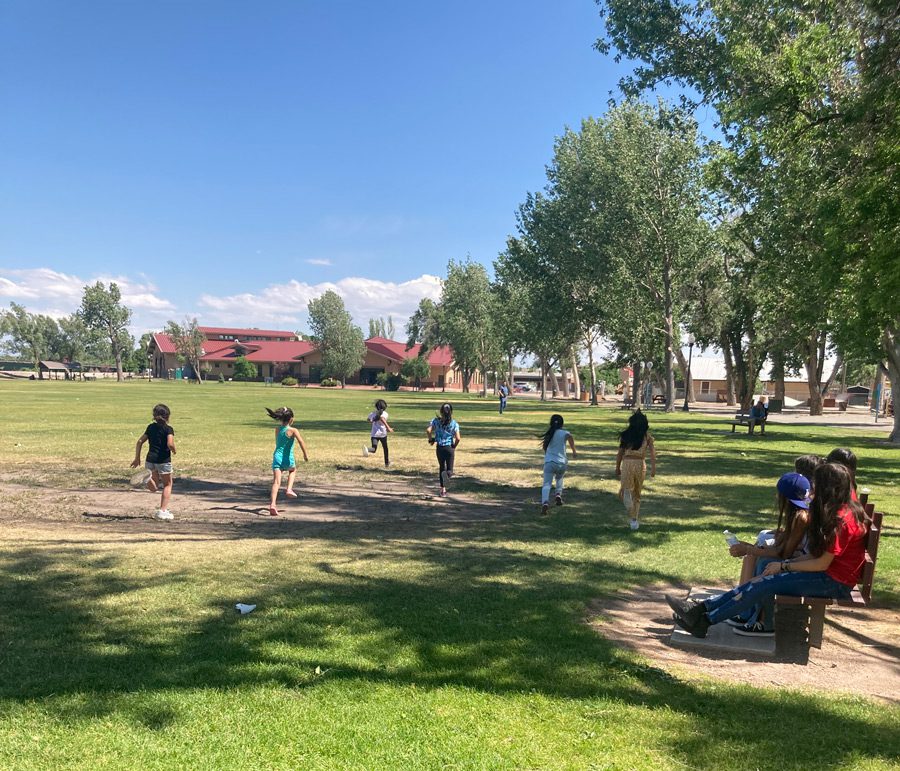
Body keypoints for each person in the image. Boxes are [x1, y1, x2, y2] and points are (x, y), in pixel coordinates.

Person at [667, 462, 868, 639]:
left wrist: (784, 566)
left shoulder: (842, 520)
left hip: (833, 582)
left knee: (765, 583)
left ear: (827, 488)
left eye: (816, 485)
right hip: (827, 575)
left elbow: (821, 563)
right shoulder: (841, 511)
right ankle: (701, 610)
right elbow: (817, 556)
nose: (812, 490)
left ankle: (704, 620)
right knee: (762, 580)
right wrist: (784, 566)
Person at [726, 472, 813, 635]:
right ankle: (745, 612)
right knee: (756, 556)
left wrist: (749, 549)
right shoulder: (799, 513)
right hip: (799, 558)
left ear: (785, 498)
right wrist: (751, 548)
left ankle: (764, 622)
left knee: (765, 565)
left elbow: (784, 554)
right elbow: (785, 545)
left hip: (804, 565)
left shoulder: (801, 517)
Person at [131, 403, 177, 521]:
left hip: (150, 459)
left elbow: (140, 441)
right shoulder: (168, 429)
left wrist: (137, 458)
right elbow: (170, 443)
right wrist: (173, 449)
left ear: (154, 416)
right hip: (163, 460)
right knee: (168, 484)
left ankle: (147, 478)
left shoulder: (150, 427)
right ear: (167, 416)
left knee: (154, 487)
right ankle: (162, 511)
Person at [615, 410, 656, 530]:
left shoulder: (626, 435)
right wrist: (653, 468)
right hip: (640, 464)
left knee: (625, 490)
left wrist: (617, 467)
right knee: (637, 494)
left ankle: (631, 512)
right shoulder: (647, 436)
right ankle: (634, 519)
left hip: (627, 463)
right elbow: (653, 454)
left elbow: (620, 453)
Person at [266, 406, 309, 516]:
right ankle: (289, 489)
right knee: (293, 470)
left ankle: (272, 505)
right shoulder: (293, 430)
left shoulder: (277, 429)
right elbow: (301, 442)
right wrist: (305, 454)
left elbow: (278, 443)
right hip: (287, 457)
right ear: (291, 419)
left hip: (277, 457)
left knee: (276, 482)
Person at [539, 414, 577, 515]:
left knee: (547, 483)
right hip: (562, 462)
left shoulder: (549, 434)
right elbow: (570, 437)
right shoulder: (564, 433)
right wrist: (573, 450)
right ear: (562, 423)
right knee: (559, 478)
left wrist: (547, 454)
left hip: (550, 462)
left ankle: (545, 502)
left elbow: (544, 447)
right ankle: (558, 495)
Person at [426, 402, 460, 498]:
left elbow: (428, 430)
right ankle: (447, 476)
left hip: (440, 447)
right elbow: (458, 438)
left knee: (441, 467)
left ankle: (442, 490)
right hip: (449, 447)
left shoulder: (436, 421)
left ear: (441, 412)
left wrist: (431, 440)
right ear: (451, 412)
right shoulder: (454, 423)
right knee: (449, 470)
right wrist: (454, 446)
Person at [362, 398, 393, 467]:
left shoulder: (372, 413)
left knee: (373, 449)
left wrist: (371, 420)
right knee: (385, 449)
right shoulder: (385, 414)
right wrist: (388, 428)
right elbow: (382, 419)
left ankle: (367, 449)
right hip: (383, 434)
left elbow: (368, 419)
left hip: (374, 434)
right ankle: (387, 463)